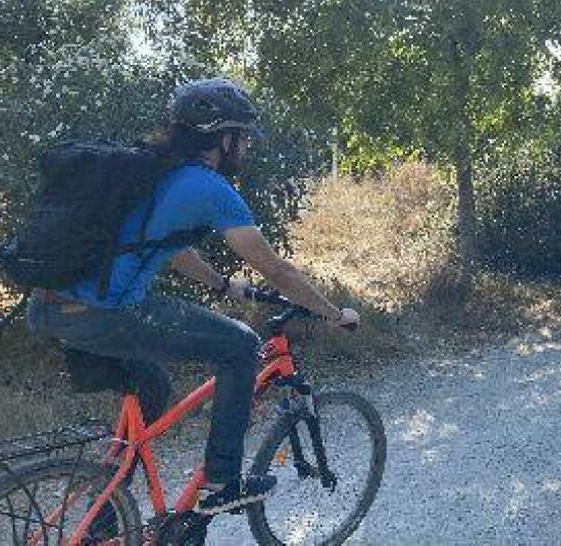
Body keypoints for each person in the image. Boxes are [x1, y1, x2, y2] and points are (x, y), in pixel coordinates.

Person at [27, 77, 359, 515]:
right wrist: (333, 313)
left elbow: (169, 245)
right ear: (222, 138)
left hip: (49, 307)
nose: (248, 147)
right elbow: (275, 268)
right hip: (105, 313)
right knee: (241, 347)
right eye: (243, 137)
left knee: (153, 385)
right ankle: (221, 483)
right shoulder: (208, 187)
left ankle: (103, 516)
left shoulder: (155, 168)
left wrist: (223, 284)